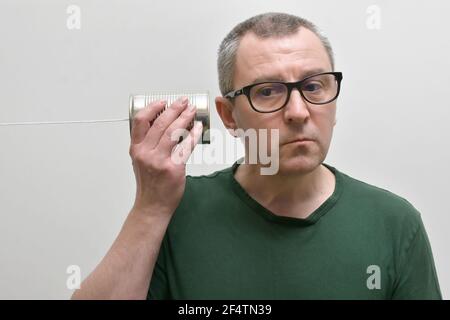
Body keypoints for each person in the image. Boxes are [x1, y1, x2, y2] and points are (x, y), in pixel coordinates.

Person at [72, 12, 442, 300]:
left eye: (314, 86)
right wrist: (150, 208)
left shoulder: (394, 223)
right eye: (268, 91)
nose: (298, 111)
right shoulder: (176, 209)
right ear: (229, 115)